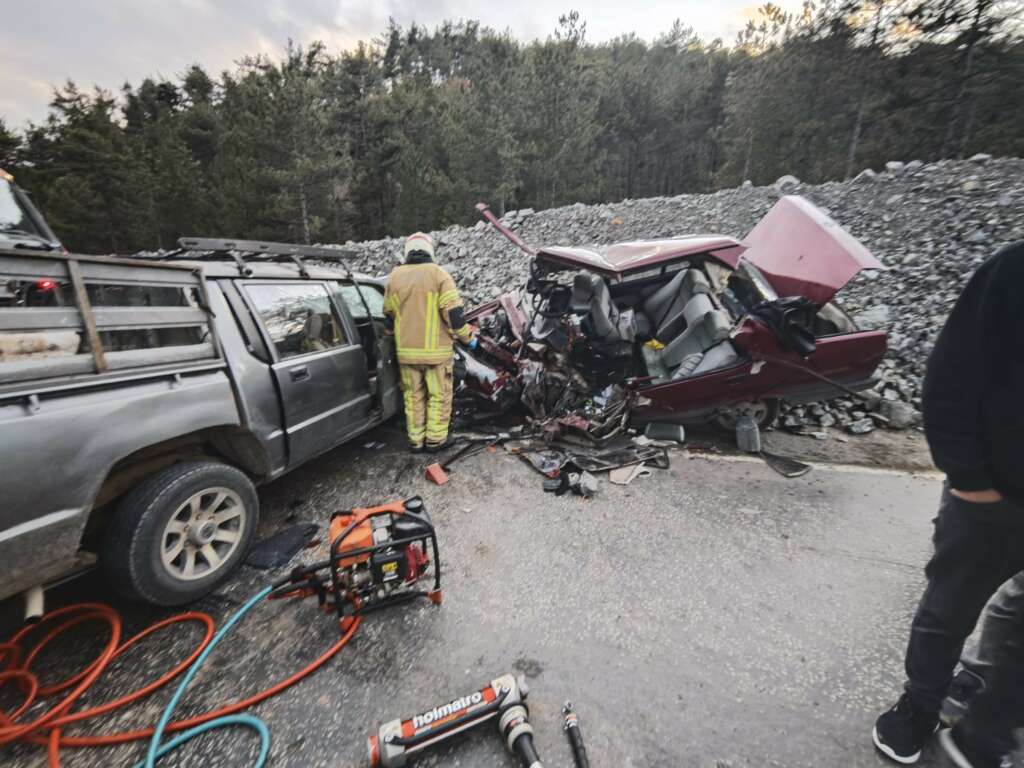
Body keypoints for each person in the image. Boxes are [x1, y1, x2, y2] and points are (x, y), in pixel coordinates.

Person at [872, 240, 1024, 767]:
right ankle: (920, 705)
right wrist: (971, 478)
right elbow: (951, 375)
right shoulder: (1014, 269)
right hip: (991, 497)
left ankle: (988, 713)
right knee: (948, 609)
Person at [384, 232, 476, 453]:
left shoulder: (395, 277)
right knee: (438, 396)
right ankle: (435, 440)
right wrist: (468, 339)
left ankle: (416, 441)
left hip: (406, 354)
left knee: (413, 397)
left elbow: (388, 316)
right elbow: (454, 315)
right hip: (436, 355)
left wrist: (389, 339)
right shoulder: (439, 275)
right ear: (429, 250)